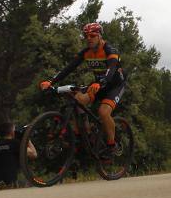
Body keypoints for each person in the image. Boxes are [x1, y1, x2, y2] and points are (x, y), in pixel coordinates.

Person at [39, 22, 125, 158]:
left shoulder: (110, 50)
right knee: (77, 98)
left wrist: (103, 81)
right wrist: (51, 81)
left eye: (92, 35)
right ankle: (87, 133)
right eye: (86, 36)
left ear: (100, 36)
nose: (89, 39)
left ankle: (112, 145)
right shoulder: (86, 53)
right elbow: (68, 68)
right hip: (98, 85)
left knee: (103, 112)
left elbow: (112, 68)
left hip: (114, 86)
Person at [0, 122, 37, 189]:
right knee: (33, 181)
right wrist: (26, 137)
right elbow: (34, 154)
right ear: (12, 132)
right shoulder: (15, 143)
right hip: (6, 184)